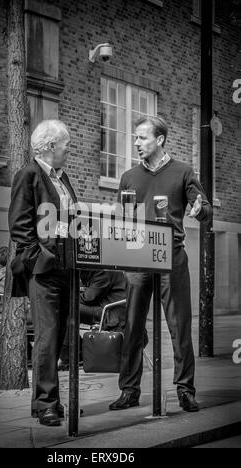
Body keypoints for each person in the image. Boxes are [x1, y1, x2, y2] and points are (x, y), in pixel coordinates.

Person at [109, 116, 212, 413]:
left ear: (160, 139)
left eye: (142, 138)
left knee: (179, 326)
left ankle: (184, 389)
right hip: (137, 257)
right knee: (132, 325)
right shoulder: (129, 177)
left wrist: (199, 208)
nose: (137, 143)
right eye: (136, 138)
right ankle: (129, 390)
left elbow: (203, 209)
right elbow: (121, 219)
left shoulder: (182, 172)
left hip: (172, 256)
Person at [9, 119, 77, 427]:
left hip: (66, 268)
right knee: (48, 338)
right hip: (43, 270)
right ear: (50, 147)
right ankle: (47, 403)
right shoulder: (29, 174)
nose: (68, 150)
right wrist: (42, 258)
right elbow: (20, 226)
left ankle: (46, 402)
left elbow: (67, 221)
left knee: (58, 336)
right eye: (65, 145)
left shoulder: (63, 179)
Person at [58, 269, 127, 371]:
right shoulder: (93, 269)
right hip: (105, 307)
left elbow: (89, 298)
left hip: (111, 312)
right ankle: (74, 352)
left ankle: (65, 358)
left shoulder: (103, 271)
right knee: (69, 308)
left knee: (71, 309)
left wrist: (67, 300)